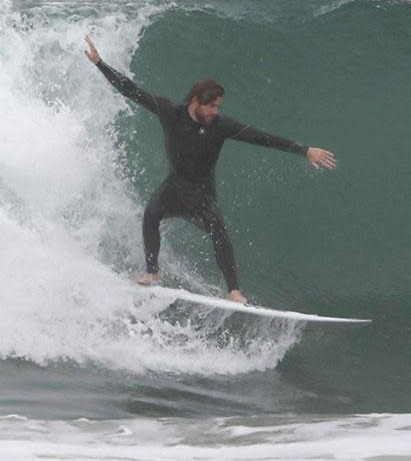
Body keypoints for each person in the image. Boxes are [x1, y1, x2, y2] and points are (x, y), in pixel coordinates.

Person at [84, 36, 336, 304]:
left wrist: (304, 150)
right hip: (175, 185)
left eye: (218, 107)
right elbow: (132, 90)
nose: (216, 111)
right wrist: (100, 63)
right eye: (212, 106)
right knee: (151, 214)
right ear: (195, 101)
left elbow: (262, 137)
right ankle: (151, 273)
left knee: (218, 230)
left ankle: (234, 291)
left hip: (202, 191)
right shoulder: (171, 112)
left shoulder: (221, 126)